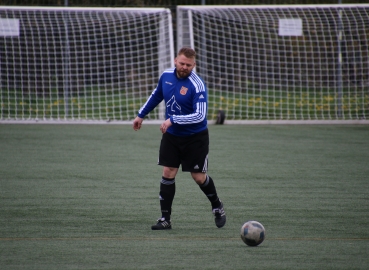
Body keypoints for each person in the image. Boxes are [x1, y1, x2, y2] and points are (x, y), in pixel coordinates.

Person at [133, 47, 226, 230]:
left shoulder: (197, 85)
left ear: (194, 65)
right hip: (173, 136)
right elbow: (157, 94)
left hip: (195, 137)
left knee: (198, 177)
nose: (184, 67)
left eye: (188, 65)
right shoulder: (166, 75)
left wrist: (172, 120)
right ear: (175, 60)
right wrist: (140, 115)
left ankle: (217, 206)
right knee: (168, 172)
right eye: (182, 63)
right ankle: (165, 219)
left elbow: (200, 116)